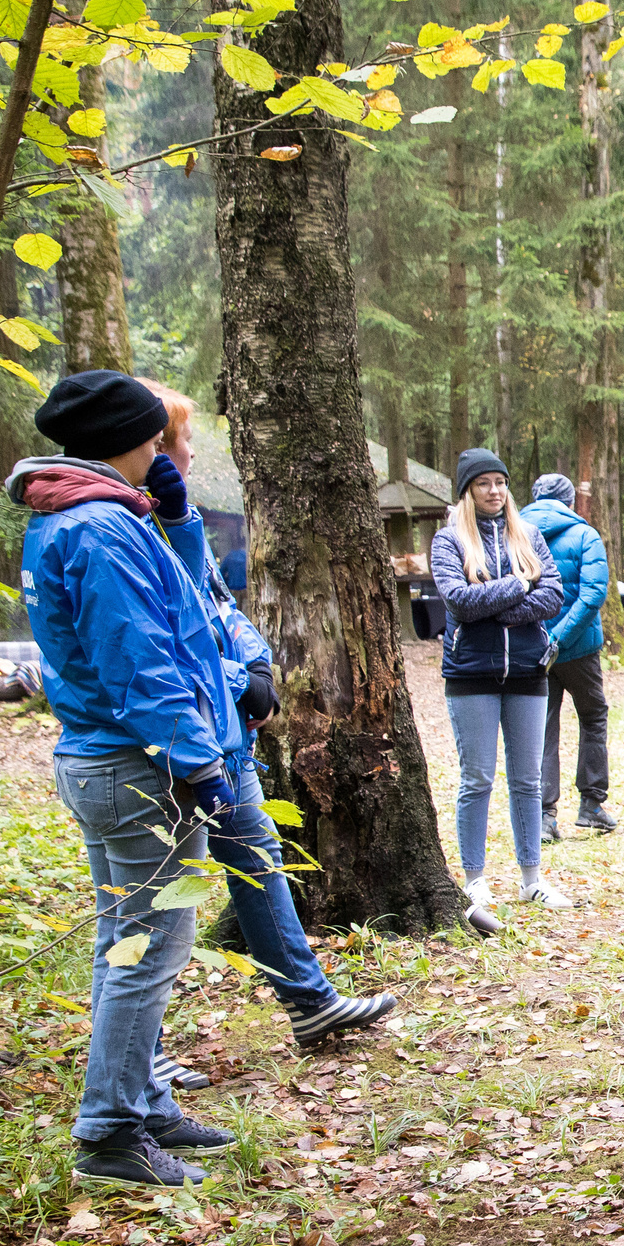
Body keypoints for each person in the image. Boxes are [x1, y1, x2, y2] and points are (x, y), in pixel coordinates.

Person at [10, 371, 240, 1190]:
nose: (162, 450)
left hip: (103, 758)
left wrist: (175, 522)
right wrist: (198, 762)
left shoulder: (73, 514)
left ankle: (142, 1100)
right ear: (126, 440)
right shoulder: (102, 528)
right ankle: (110, 1131)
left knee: (127, 941)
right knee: (151, 947)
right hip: (136, 766)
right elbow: (140, 660)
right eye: (153, 437)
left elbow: (178, 615)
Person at [133, 381, 397, 1081]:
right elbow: (161, 651)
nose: (190, 453)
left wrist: (254, 670)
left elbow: (220, 609)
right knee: (154, 906)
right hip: (176, 743)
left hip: (223, 736)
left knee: (256, 857)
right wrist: (234, 680)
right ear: (152, 447)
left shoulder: (175, 521)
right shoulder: (124, 530)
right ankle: (139, 1057)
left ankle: (309, 1002)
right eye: (181, 440)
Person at [432, 448, 569, 911]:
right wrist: (520, 584)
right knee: (477, 779)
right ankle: (474, 880)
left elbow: (553, 595)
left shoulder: (528, 535)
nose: (494, 491)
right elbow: (458, 601)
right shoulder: (449, 541)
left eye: (501, 482)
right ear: (467, 491)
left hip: (528, 670)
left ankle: (532, 879)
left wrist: (495, 605)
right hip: (471, 673)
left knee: (528, 780)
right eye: (483, 483)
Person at [521, 474, 615, 841]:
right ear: (570, 502)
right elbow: (593, 594)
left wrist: (544, 638)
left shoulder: (516, 535)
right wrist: (560, 639)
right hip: (579, 650)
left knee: (542, 726)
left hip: (532, 647)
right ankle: (591, 805)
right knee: (593, 717)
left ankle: (544, 816)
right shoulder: (585, 535)